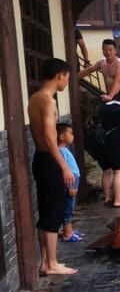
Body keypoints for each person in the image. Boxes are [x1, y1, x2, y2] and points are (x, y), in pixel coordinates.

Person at [27, 58, 78, 275]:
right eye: (67, 76)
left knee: (46, 211)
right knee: (54, 212)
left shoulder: (34, 98)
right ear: (59, 75)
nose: (66, 81)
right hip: (50, 160)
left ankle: (45, 263)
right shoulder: (48, 101)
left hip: (40, 159)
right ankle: (52, 263)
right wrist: (64, 166)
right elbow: (49, 138)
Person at [87, 88, 120, 207]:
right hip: (112, 143)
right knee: (118, 170)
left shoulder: (103, 107)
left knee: (106, 170)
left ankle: (107, 198)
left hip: (98, 143)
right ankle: (118, 200)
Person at [57, 123, 83, 242]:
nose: (72, 136)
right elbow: (64, 172)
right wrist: (70, 187)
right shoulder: (61, 152)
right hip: (70, 181)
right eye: (70, 134)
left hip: (73, 179)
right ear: (62, 137)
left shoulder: (64, 150)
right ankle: (67, 234)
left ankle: (70, 230)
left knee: (70, 206)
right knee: (68, 207)